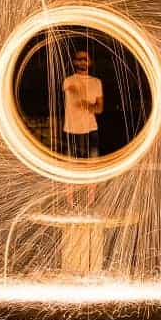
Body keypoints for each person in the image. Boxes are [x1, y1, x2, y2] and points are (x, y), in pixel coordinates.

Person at [62, 48, 103, 207]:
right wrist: (88, 104)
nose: (82, 61)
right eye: (79, 59)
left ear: (90, 62)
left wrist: (86, 104)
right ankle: (70, 204)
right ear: (74, 62)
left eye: (85, 59)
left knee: (92, 168)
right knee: (70, 168)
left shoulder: (96, 82)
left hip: (91, 130)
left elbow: (99, 109)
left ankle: (90, 204)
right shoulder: (68, 80)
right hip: (71, 130)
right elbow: (73, 93)